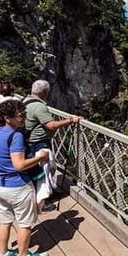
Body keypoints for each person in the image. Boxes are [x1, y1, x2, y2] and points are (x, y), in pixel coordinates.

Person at [0, 100, 50, 256]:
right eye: (21, 116)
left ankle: (4, 255)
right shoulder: (15, 136)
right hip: (18, 185)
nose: (24, 119)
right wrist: (39, 158)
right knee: (25, 224)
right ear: (7, 118)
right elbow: (19, 165)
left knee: (5, 222)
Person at [24, 80, 80, 211]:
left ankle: (44, 195)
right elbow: (50, 125)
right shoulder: (39, 107)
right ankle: (42, 203)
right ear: (45, 92)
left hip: (29, 142)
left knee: (38, 171)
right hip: (39, 143)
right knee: (43, 173)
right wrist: (71, 120)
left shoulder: (25, 101)